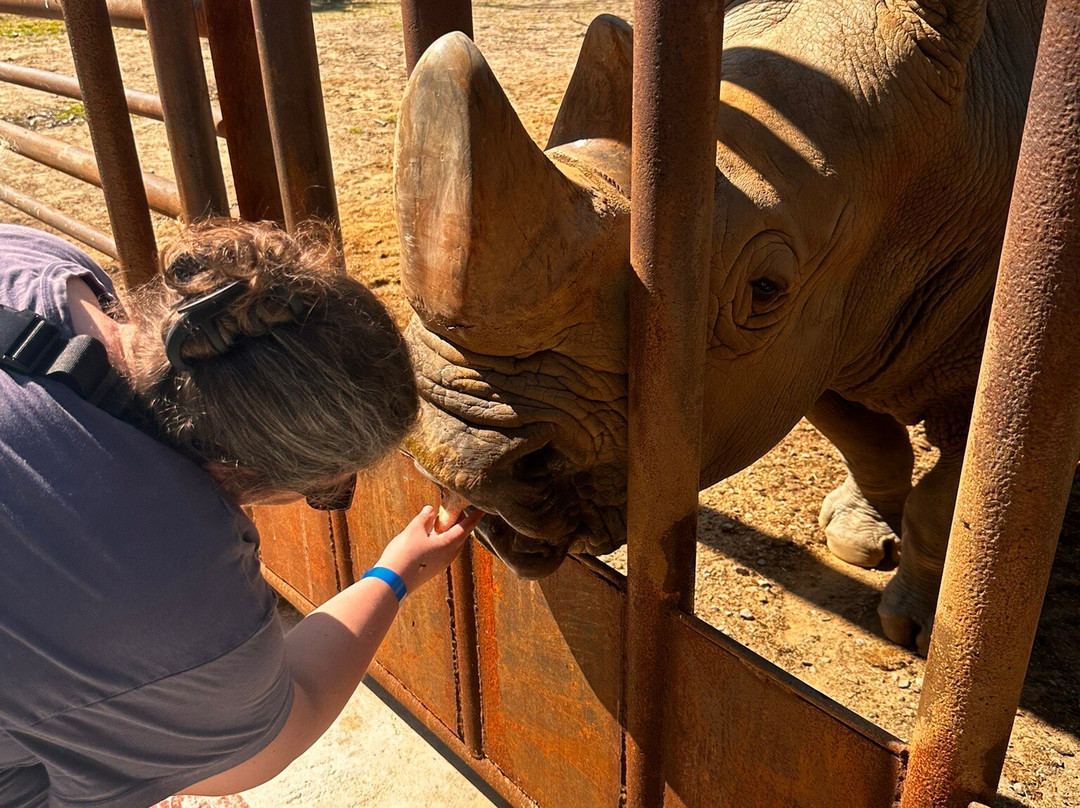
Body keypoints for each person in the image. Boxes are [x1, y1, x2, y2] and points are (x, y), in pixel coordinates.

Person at [0, 220, 483, 808]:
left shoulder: (37, 258)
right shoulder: (178, 598)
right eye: (322, 488)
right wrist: (395, 574)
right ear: (243, 474)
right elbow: (285, 720)